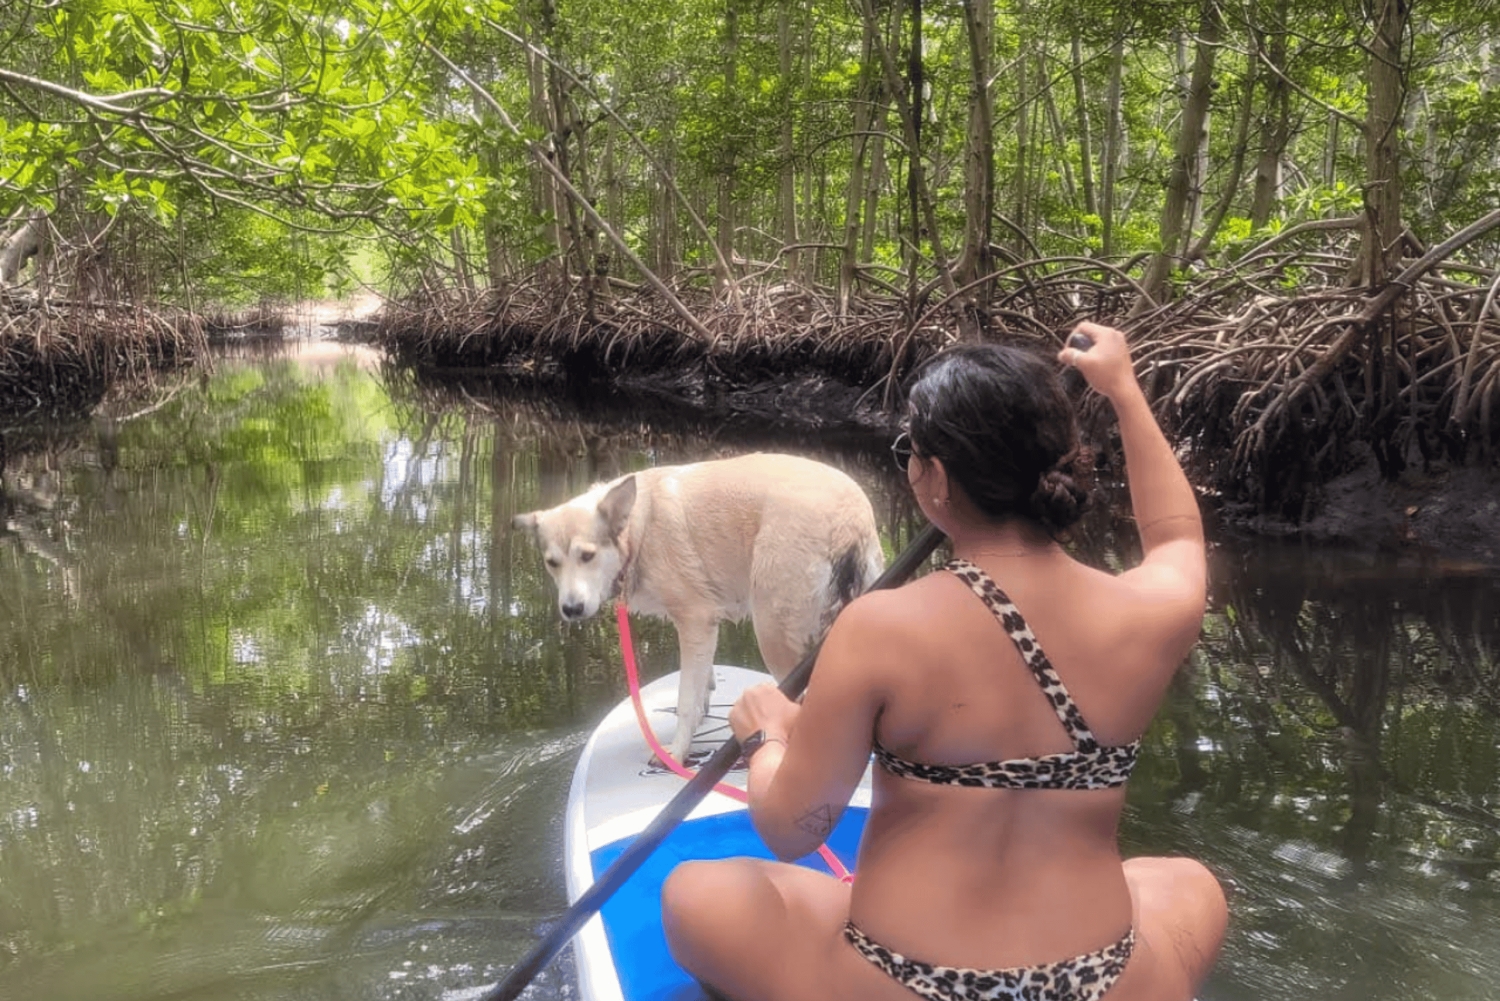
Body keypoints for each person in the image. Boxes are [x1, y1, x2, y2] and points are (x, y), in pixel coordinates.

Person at [660, 321, 1228, 1001]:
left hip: (905, 981)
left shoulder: (882, 626)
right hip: (1099, 980)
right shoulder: (1148, 614)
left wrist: (768, 736)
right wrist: (1125, 390)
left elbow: (792, 827)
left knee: (693, 893)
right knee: (1190, 885)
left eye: (911, 450)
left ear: (934, 477)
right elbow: (1176, 537)